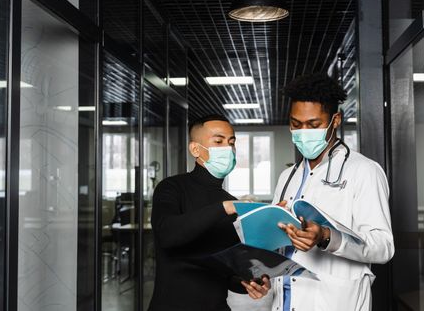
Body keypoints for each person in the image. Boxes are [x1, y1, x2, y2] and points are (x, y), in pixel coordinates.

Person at [269, 74, 394, 310]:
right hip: (284, 300)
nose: (303, 132)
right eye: (296, 124)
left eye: (314, 125)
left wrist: (327, 237)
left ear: (335, 120)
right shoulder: (287, 177)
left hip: (333, 301)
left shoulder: (364, 171)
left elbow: (383, 246)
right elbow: (278, 243)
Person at [149, 114, 269, 311]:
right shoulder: (171, 187)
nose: (228, 149)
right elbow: (167, 234)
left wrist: (247, 284)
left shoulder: (230, 202)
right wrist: (224, 208)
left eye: (231, 142)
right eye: (218, 141)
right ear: (195, 149)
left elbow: (225, 271)